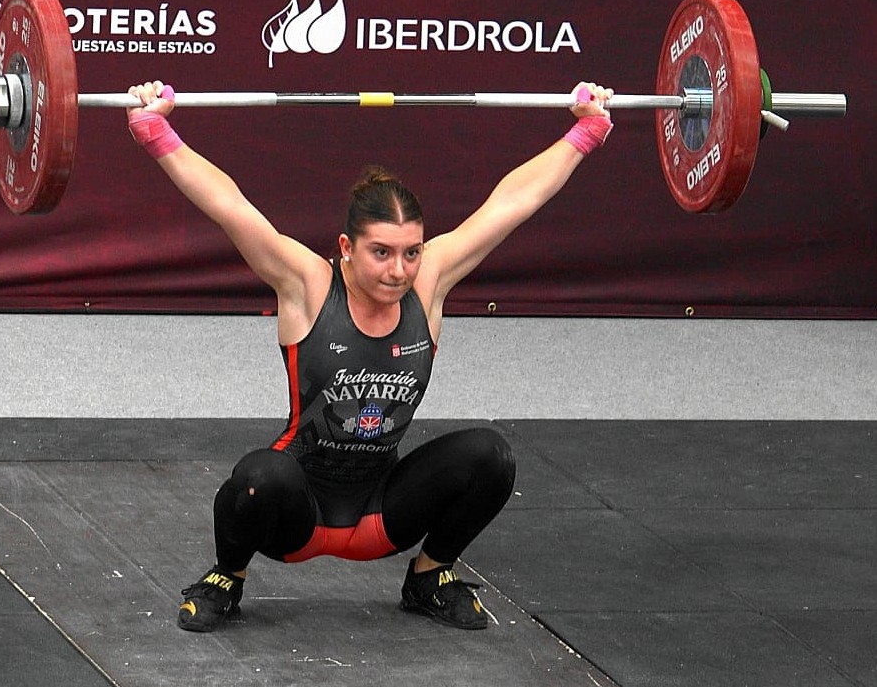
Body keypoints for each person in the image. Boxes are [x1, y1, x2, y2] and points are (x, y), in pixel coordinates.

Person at [126, 79, 614, 632]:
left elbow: (512, 203)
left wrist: (587, 130)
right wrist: (155, 131)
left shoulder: (429, 283)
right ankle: (226, 577)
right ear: (346, 249)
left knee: (491, 456)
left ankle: (430, 576)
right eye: (381, 253)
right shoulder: (308, 284)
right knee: (258, 476)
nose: (398, 270)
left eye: (411, 253)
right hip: (297, 512)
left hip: (383, 511)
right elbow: (230, 207)